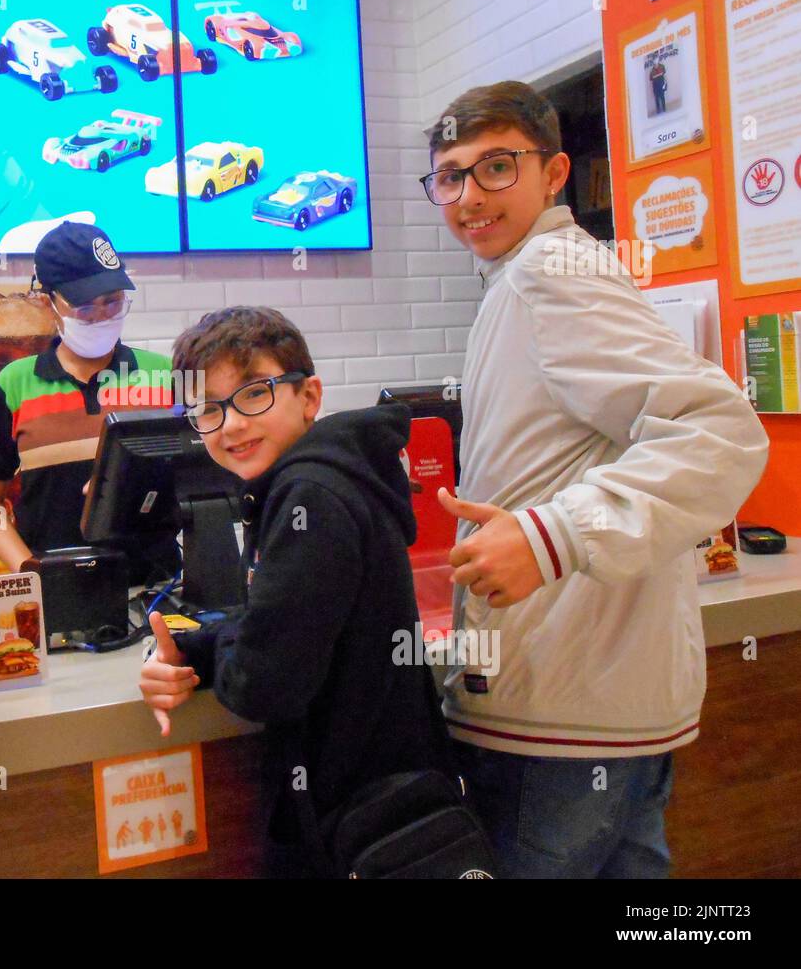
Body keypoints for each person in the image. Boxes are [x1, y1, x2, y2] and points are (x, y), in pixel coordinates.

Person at [418, 80, 768, 878]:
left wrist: (551, 536)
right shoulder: (526, 275)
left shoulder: (552, 269)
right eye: (450, 176)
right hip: (595, 713)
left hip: (563, 727)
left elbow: (720, 430)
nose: (469, 195)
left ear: (556, 173)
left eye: (496, 167)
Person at [138, 306, 455, 878]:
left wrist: (230, 639)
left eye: (254, 393)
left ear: (309, 397)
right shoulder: (324, 478)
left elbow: (265, 685)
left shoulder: (310, 495)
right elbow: (291, 630)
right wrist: (193, 650)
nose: (230, 424)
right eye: (208, 409)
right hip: (378, 800)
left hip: (358, 819)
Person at [0, 221, 179, 586]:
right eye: (84, 307)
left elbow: (198, 482)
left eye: (112, 301)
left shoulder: (163, 374)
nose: (101, 317)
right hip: (59, 593)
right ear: (47, 303)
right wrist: (27, 570)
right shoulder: (14, 384)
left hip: (156, 588)